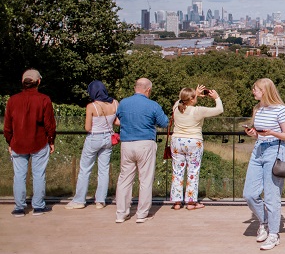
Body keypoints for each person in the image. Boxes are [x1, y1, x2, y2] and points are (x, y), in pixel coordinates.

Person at [243, 78, 285, 250]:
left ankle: (273, 234)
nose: (253, 91)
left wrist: (272, 132)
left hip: (274, 150)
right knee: (249, 194)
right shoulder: (258, 109)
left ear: (265, 90)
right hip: (258, 150)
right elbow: (259, 134)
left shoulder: (280, 109)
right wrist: (253, 133)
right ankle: (264, 221)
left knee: (272, 196)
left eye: (256, 89)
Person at [115, 78, 170, 224]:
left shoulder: (123, 103)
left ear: (135, 88)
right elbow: (165, 123)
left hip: (126, 143)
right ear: (148, 90)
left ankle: (121, 213)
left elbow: (118, 119)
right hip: (145, 142)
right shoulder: (153, 105)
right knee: (145, 179)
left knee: (124, 179)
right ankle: (142, 214)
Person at [4, 69, 56, 217]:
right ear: (38, 82)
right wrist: (51, 140)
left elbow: (7, 125)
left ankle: (19, 207)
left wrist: (10, 141)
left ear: (23, 82)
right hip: (39, 142)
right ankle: (38, 206)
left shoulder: (12, 100)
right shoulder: (44, 99)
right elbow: (49, 124)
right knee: (39, 174)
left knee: (19, 175)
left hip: (18, 142)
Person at [169, 85, 224, 210]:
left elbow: (180, 101)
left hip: (177, 140)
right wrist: (216, 97)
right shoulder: (198, 110)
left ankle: (177, 201)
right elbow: (219, 109)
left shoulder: (176, 108)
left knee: (177, 171)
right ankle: (191, 201)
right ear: (192, 99)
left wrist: (195, 94)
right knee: (193, 171)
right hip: (194, 141)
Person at [66, 81, 118, 209]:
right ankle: (100, 200)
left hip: (94, 138)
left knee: (85, 169)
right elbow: (117, 122)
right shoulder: (115, 103)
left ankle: (79, 200)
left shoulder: (91, 106)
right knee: (104, 170)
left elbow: (87, 127)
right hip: (108, 138)